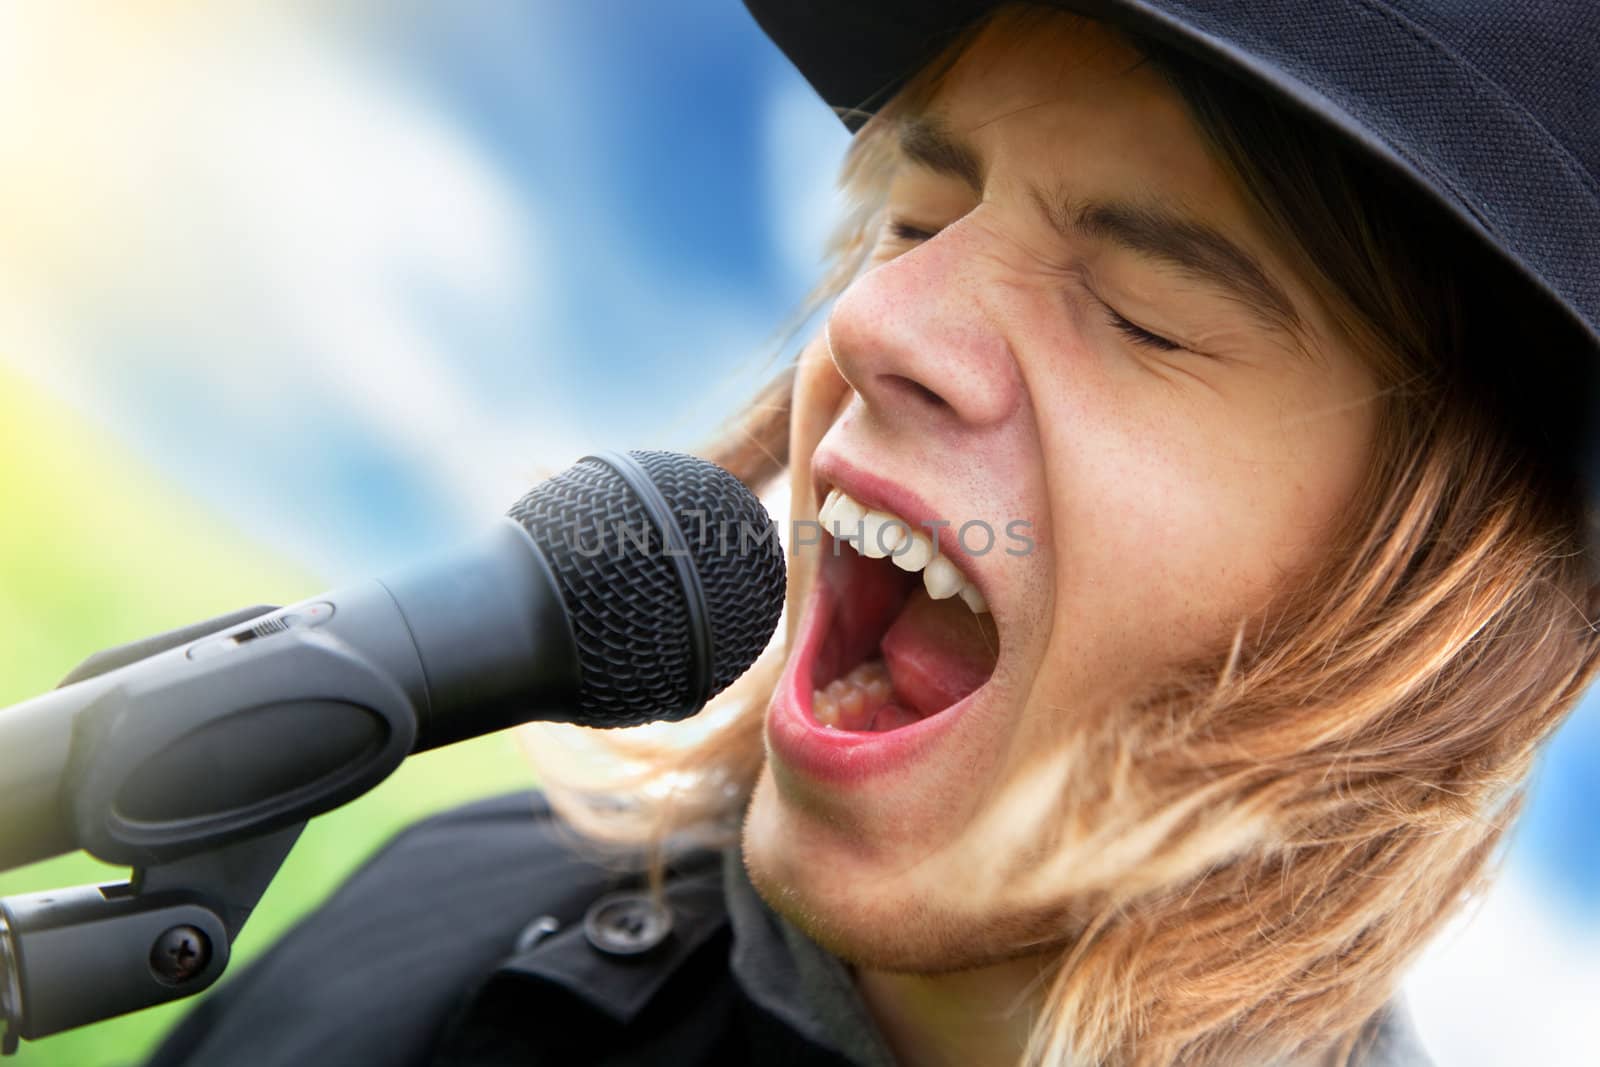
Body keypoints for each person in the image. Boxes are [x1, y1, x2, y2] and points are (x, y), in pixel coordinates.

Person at [146, 2, 1600, 1065]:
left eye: (1144, 316)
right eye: (914, 221)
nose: (877, 323)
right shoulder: (420, 945)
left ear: (1440, 608)